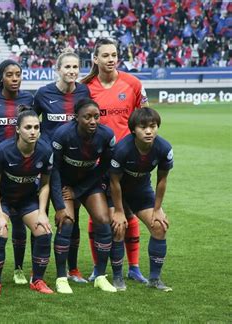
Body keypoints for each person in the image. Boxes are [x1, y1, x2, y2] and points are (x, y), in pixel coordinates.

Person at [82, 38, 150, 283]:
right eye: (106, 55)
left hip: (128, 161)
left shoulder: (133, 83)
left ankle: (134, 267)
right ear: (95, 59)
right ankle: (97, 268)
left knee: (128, 213)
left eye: (114, 55)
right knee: (97, 214)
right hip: (97, 162)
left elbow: (144, 118)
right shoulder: (86, 87)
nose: (111, 59)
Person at [33, 48, 90, 287]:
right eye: (67, 67)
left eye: (75, 67)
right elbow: (30, 122)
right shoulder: (43, 94)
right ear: (58, 69)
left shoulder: (84, 92)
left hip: (74, 166)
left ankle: (72, 269)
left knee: (72, 218)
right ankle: (39, 271)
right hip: (49, 167)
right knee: (42, 216)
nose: (72, 71)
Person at [0, 105, 54, 297]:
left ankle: (37, 280)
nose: (33, 132)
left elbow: (45, 185)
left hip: (26, 200)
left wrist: (42, 213)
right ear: (17, 129)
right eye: (28, 128)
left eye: (36, 127)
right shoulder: (3, 150)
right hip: (3, 199)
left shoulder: (45, 151)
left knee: (44, 232)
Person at [50, 98, 117, 293]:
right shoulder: (62, 135)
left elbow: (104, 167)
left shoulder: (106, 135)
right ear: (76, 118)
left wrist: (78, 191)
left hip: (88, 183)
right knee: (67, 221)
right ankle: (62, 277)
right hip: (63, 183)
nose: (93, 121)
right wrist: (60, 206)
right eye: (87, 117)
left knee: (104, 220)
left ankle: (100, 276)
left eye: (96, 117)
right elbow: (54, 171)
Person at [0, 59, 34, 286]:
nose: (15, 79)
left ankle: (19, 269)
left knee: (19, 220)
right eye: (10, 75)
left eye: (18, 74)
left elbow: (32, 125)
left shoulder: (28, 100)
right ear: (2, 77)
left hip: (21, 168)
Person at [109, 108, 173, 292]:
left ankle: (154, 279)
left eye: (153, 126)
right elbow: (114, 181)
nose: (148, 131)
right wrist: (119, 211)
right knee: (119, 227)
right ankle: (118, 277)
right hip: (116, 190)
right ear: (133, 130)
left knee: (159, 226)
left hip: (141, 191)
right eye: (143, 127)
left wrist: (157, 208)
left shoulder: (164, 148)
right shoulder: (122, 149)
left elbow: (162, 179)